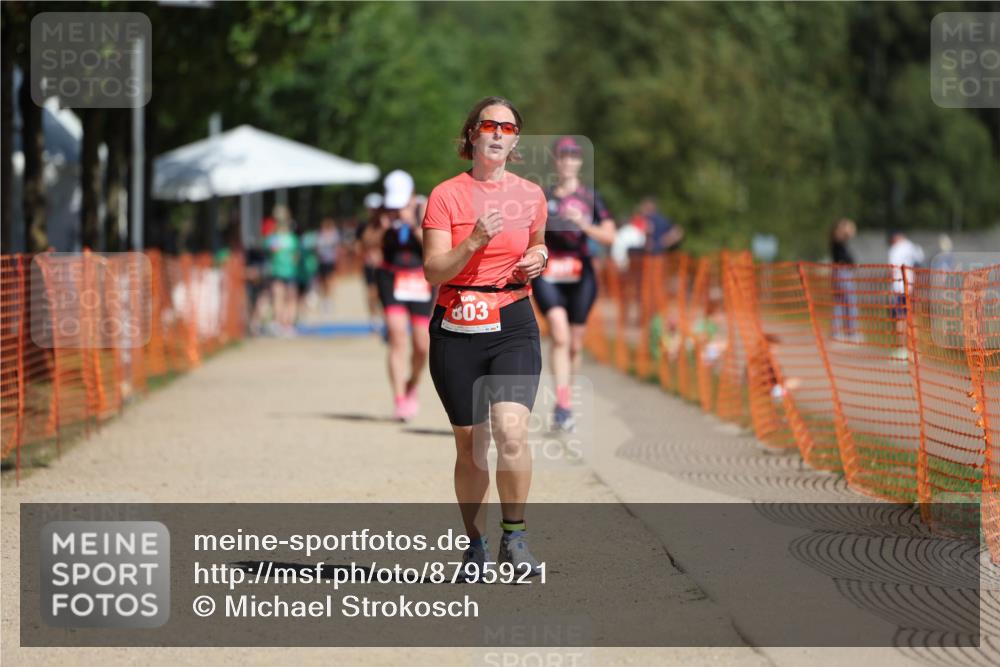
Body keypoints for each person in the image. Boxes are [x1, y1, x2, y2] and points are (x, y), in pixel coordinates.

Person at [422, 96, 549, 581]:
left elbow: (538, 242)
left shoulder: (532, 194)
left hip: (513, 319)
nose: (498, 132)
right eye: (489, 125)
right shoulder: (446, 195)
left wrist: (539, 257)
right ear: (471, 135)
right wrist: (472, 241)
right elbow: (433, 269)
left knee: (512, 433)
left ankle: (514, 538)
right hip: (457, 323)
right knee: (471, 446)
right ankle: (474, 545)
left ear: (516, 140)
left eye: (508, 127)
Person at [531, 136, 615, 432]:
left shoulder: (591, 197)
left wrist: (583, 224)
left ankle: (565, 400)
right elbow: (531, 233)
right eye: (562, 155)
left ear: (579, 161)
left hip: (581, 275)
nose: (567, 160)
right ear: (555, 161)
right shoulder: (543, 195)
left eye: (573, 155)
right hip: (550, 271)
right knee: (559, 335)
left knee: (575, 344)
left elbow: (610, 236)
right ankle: (563, 406)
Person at [375, 170, 434, 421]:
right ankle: (399, 398)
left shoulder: (425, 207)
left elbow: (436, 247)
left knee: (422, 345)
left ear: (411, 196)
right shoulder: (382, 211)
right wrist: (382, 227)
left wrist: (413, 224)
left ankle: (411, 384)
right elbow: (366, 245)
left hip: (420, 280)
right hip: (391, 278)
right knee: (397, 336)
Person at [887, 229, 925, 359]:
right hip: (910, 286)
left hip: (899, 287)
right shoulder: (912, 247)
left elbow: (892, 270)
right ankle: (915, 349)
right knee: (911, 317)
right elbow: (920, 262)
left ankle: (902, 349)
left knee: (900, 318)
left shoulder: (894, 249)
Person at [266, 205, 299, 337]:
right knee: (286, 299)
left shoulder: (273, 239)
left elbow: (270, 254)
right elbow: (295, 257)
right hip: (285, 272)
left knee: (280, 298)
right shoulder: (291, 239)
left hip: (280, 272)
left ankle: (283, 324)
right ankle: (286, 325)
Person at [357, 193, 386, 333]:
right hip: (369, 265)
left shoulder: (386, 224)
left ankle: (385, 318)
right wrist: (366, 255)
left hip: (384, 264)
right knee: (371, 292)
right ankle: (374, 320)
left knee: (384, 292)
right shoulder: (363, 226)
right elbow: (359, 246)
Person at [829, 218, 861, 343]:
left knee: (839, 302)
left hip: (838, 273)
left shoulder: (838, 242)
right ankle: (851, 332)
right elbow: (846, 235)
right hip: (843, 273)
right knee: (849, 301)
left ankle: (837, 331)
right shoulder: (837, 241)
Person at [316, 217, 341, 312]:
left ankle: (329, 300)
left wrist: (337, 259)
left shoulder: (334, 234)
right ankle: (324, 299)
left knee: (330, 281)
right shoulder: (320, 235)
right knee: (323, 282)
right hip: (322, 262)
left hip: (330, 261)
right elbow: (317, 248)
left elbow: (337, 248)